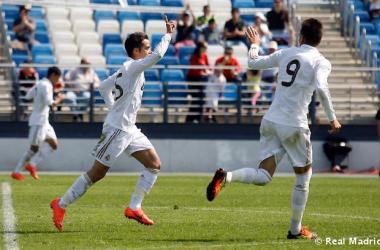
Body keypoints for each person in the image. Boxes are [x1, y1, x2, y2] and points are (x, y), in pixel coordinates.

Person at [206, 19, 342, 240]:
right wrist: (332, 118)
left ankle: (226, 177)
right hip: (294, 125)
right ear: (320, 39)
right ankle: (295, 230)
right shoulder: (321, 61)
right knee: (304, 177)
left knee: (264, 175)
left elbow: (253, 63)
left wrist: (254, 44)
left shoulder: (286, 53)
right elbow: (321, 86)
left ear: (301, 37)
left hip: (270, 121)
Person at [50, 16, 176, 231]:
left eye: (147, 47)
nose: (148, 51)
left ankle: (134, 207)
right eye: (145, 47)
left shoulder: (126, 69)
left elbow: (102, 87)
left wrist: (112, 108)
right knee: (97, 174)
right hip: (117, 130)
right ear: (136, 52)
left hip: (129, 129)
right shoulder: (133, 67)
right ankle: (60, 204)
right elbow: (159, 54)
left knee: (154, 164)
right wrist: (168, 34)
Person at [11, 67, 64, 181]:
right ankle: (16, 171)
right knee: (33, 149)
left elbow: (27, 98)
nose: (57, 81)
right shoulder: (47, 85)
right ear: (53, 75)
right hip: (38, 121)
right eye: (58, 78)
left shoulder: (39, 83)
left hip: (44, 121)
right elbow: (51, 104)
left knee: (54, 144)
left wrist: (38, 101)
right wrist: (59, 99)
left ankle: (32, 164)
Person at [185, 41, 211, 123]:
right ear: (200, 48)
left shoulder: (205, 56)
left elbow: (208, 67)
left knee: (201, 99)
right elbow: (193, 69)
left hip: (200, 79)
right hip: (193, 79)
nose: (206, 49)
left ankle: (197, 118)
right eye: (204, 47)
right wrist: (202, 72)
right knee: (196, 99)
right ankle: (191, 119)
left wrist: (207, 71)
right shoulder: (194, 56)